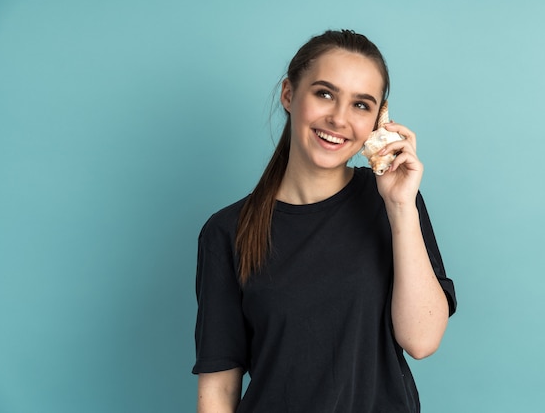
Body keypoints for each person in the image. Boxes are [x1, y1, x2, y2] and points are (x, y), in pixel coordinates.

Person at [192, 29, 457, 412]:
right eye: (324, 94)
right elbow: (219, 388)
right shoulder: (226, 231)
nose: (338, 119)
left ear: (378, 121)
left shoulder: (395, 202)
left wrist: (400, 208)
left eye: (361, 105)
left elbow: (421, 341)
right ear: (289, 94)